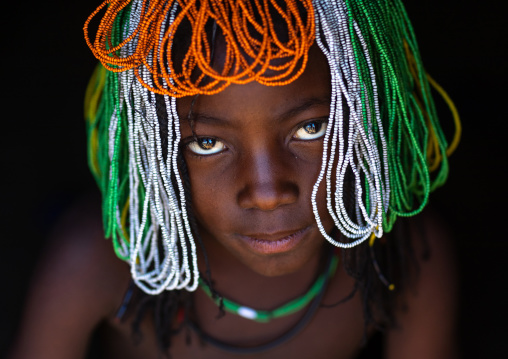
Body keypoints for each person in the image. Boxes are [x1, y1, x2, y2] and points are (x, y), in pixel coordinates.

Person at [9, 0, 461, 358]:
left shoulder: (407, 258)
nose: (267, 193)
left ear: (365, 118)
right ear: (154, 152)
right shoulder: (93, 263)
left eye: (311, 128)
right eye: (207, 144)